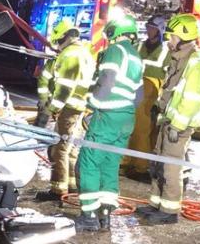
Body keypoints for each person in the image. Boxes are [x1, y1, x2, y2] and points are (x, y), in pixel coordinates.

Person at [137, 14, 200, 225]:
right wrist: (160, 111)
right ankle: (155, 204)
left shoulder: (196, 64)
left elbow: (192, 100)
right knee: (159, 164)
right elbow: (170, 90)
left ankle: (169, 211)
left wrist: (177, 126)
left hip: (179, 127)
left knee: (171, 168)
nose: (168, 40)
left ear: (184, 37)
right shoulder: (179, 57)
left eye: (172, 36)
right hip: (168, 122)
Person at [75, 15, 143, 232]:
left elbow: (106, 82)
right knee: (110, 165)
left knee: (89, 163)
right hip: (126, 119)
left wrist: (92, 105)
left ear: (115, 31)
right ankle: (105, 215)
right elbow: (139, 95)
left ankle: (89, 216)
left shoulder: (116, 51)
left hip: (107, 117)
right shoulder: (136, 56)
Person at [35, 18, 95, 201]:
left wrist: (51, 109)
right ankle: (71, 185)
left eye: (58, 41)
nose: (57, 46)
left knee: (59, 149)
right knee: (71, 149)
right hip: (80, 107)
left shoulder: (70, 55)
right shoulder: (83, 52)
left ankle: (57, 190)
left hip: (70, 108)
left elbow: (64, 89)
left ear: (64, 37)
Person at [122, 15, 171, 181]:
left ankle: (141, 166)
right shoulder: (139, 45)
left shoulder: (165, 50)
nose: (150, 30)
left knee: (142, 130)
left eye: (153, 28)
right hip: (136, 87)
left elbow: (166, 74)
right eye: (149, 27)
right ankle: (127, 162)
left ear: (160, 30)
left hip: (151, 91)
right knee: (130, 127)